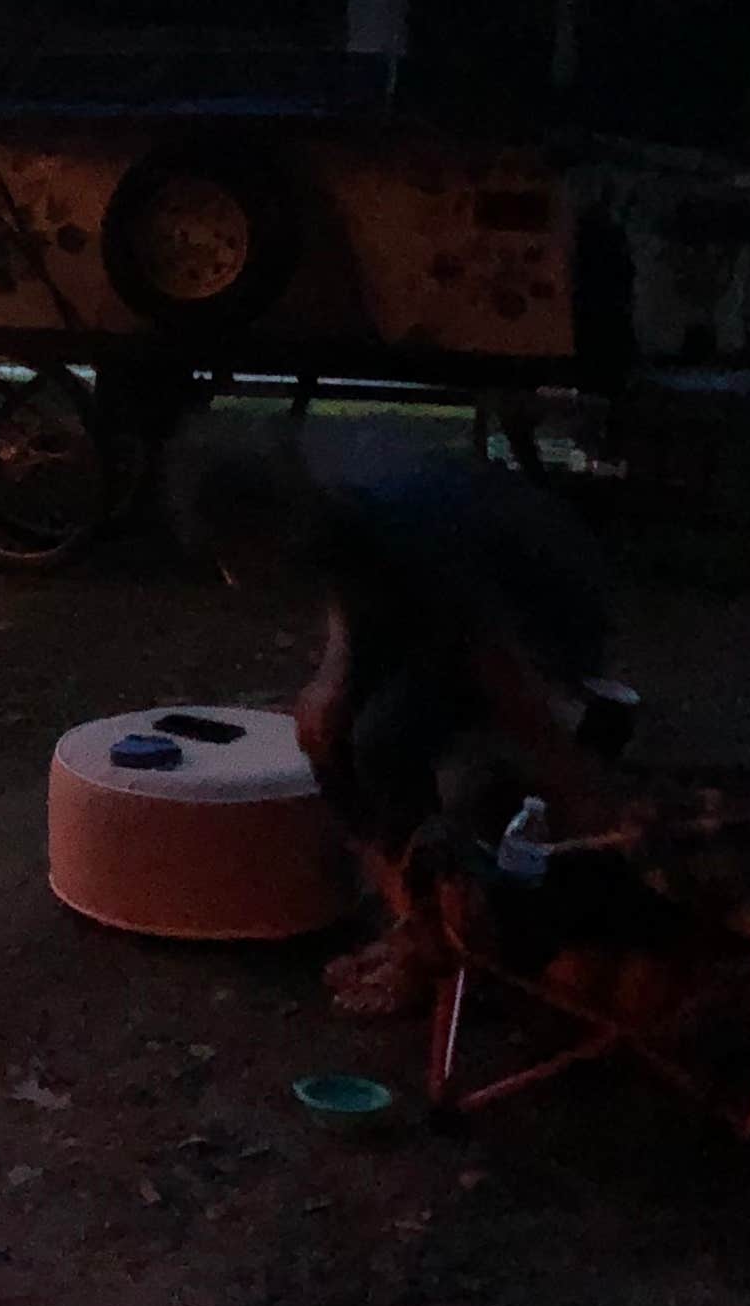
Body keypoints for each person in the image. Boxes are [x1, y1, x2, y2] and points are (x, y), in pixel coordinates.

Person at [177, 426, 617, 1000]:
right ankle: (412, 917)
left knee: (386, 740)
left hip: (534, 608)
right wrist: (334, 677)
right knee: (324, 733)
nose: (232, 578)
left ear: (267, 524)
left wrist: (576, 781)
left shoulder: (400, 527)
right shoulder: (321, 511)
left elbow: (493, 660)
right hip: (430, 600)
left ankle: (439, 948)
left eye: (235, 555)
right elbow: (346, 580)